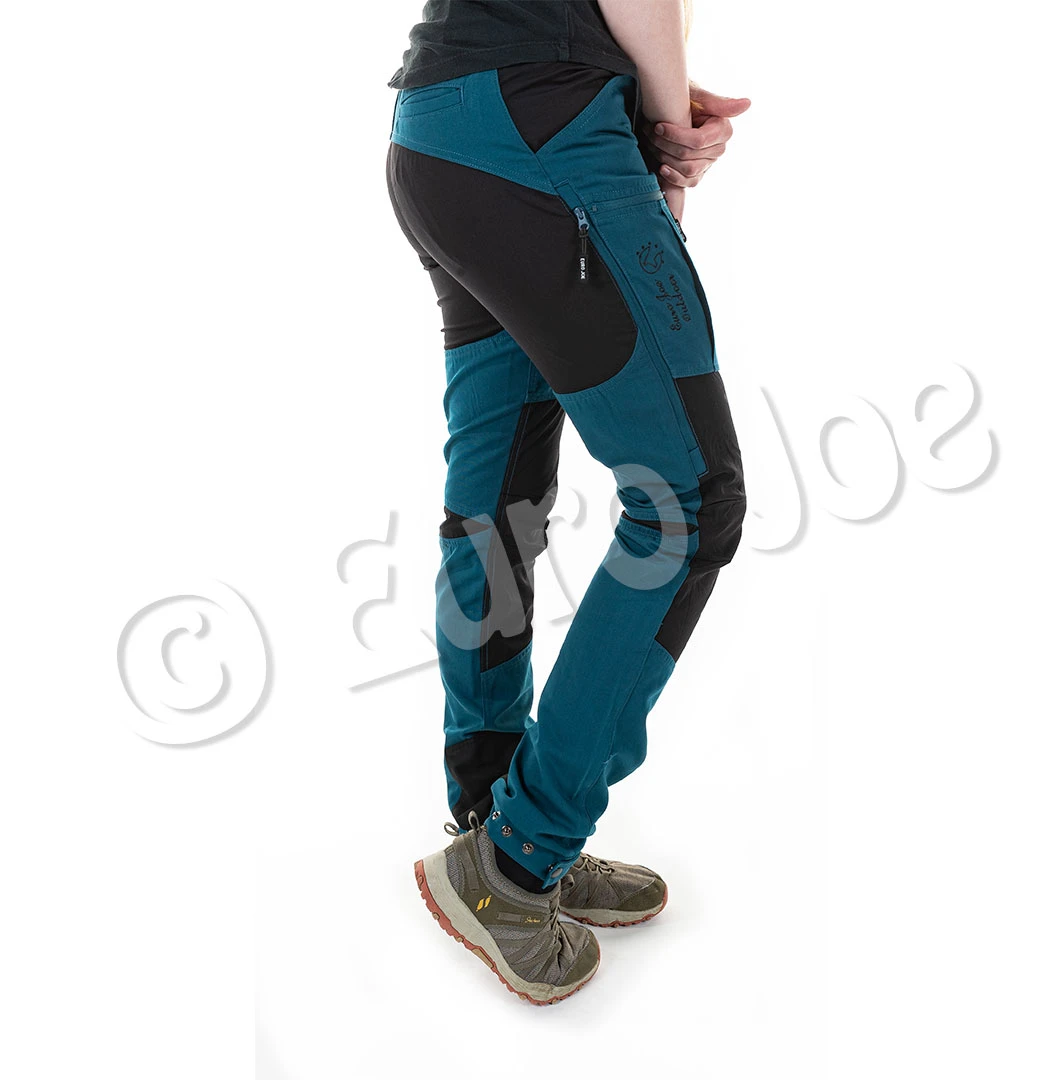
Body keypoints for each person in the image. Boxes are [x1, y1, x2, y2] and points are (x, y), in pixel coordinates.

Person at [386, 0, 750, 1004]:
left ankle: (491, 813)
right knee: (690, 500)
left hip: (441, 131)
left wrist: (641, 94)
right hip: (537, 128)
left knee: (498, 503)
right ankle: (518, 857)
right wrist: (665, 132)